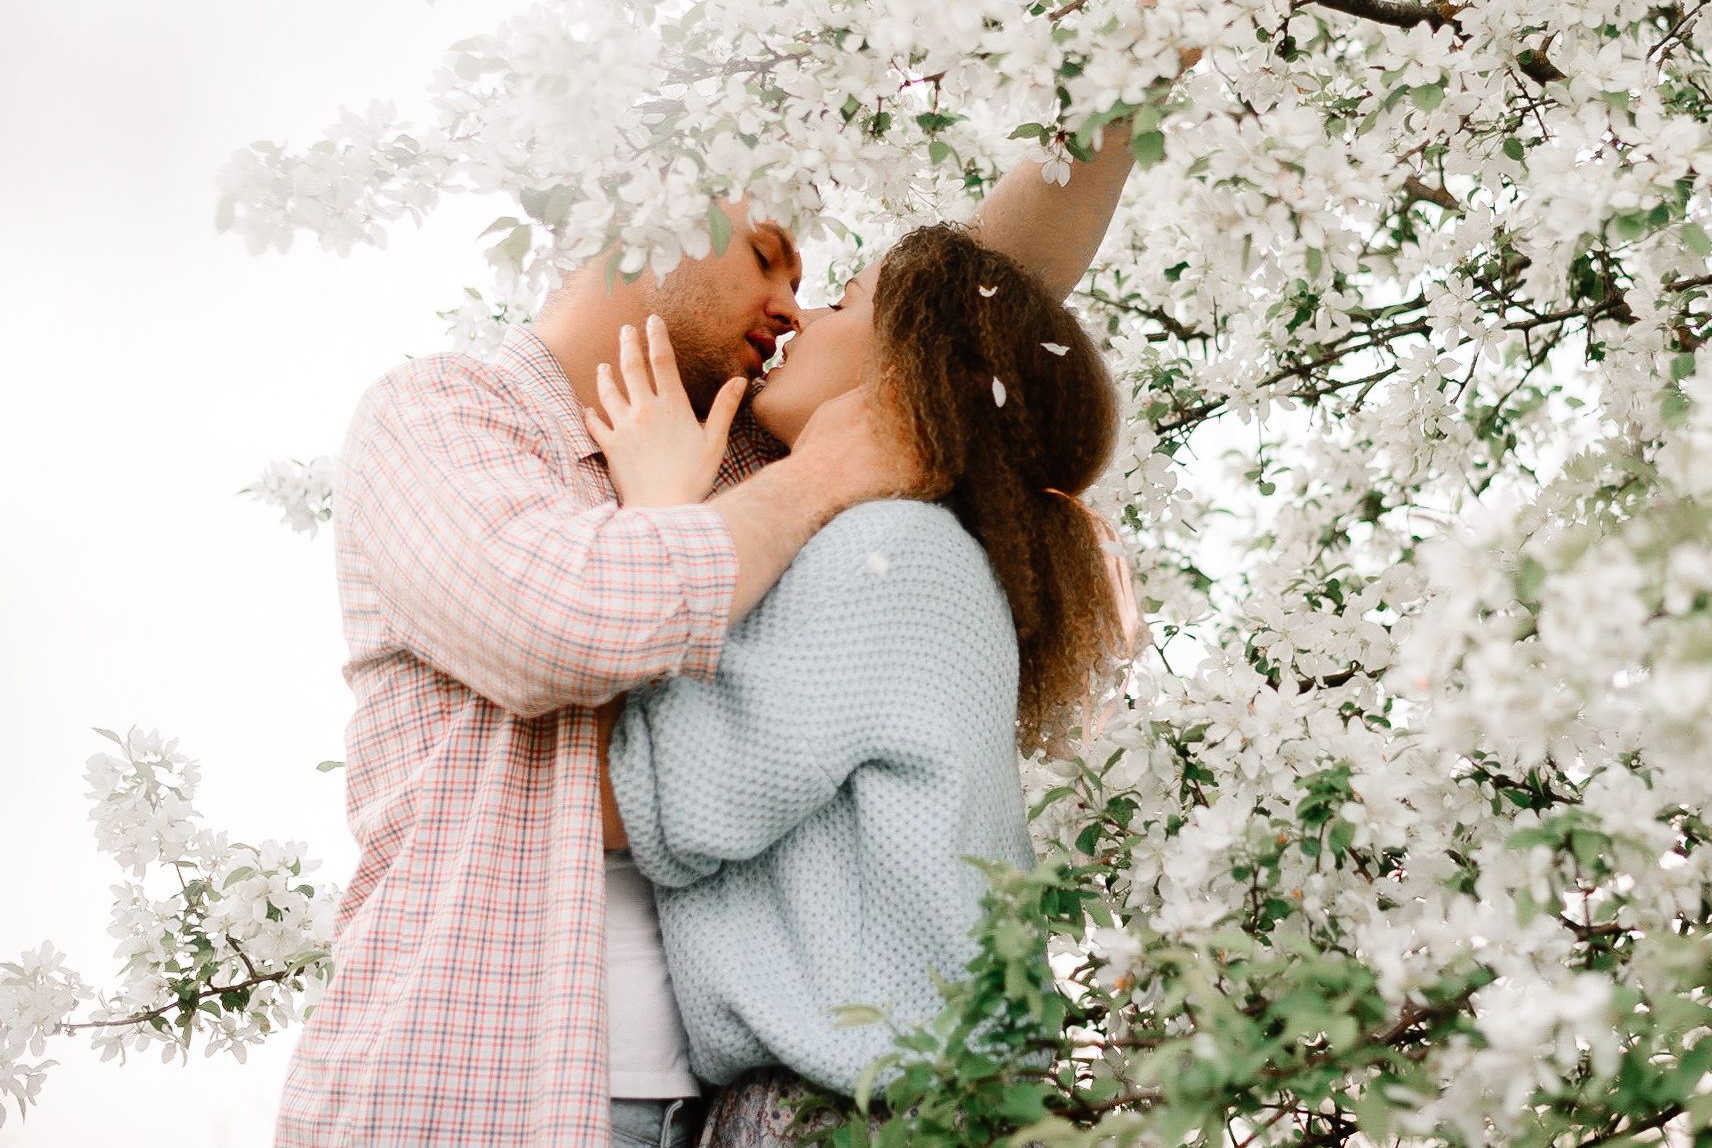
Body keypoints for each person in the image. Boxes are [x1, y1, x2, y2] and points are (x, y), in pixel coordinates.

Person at [275, 137, 1144, 1148]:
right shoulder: (447, 416)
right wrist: (813, 477)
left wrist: (1128, 75)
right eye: (769, 256)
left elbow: (974, 322)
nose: (791, 305)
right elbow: (564, 623)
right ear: (651, 215)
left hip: (728, 1101)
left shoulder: (757, 466)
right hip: (481, 1079)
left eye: (819, 290)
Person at [591, 224, 1128, 1144]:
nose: (803, 318)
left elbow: (639, 804)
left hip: (846, 1111)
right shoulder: (926, 557)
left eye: (842, 303)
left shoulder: (886, 552)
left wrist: (661, 523)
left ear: (907, 369)